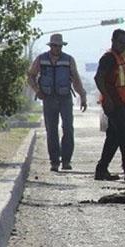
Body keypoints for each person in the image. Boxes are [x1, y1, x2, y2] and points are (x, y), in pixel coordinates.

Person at [27, 33, 87, 172]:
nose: (57, 48)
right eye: (54, 45)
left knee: (68, 128)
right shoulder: (41, 59)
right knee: (51, 130)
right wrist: (37, 90)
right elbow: (31, 76)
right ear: (50, 46)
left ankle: (66, 160)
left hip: (65, 98)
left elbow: (76, 80)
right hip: (48, 99)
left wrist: (82, 96)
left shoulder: (68, 60)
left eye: (59, 46)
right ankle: (54, 161)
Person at [94, 29, 125, 182]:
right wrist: (106, 98)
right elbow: (98, 77)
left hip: (120, 102)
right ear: (113, 41)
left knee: (113, 138)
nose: (124, 45)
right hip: (113, 104)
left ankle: (101, 170)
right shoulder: (108, 58)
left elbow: (124, 82)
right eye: (121, 42)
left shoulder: (119, 58)